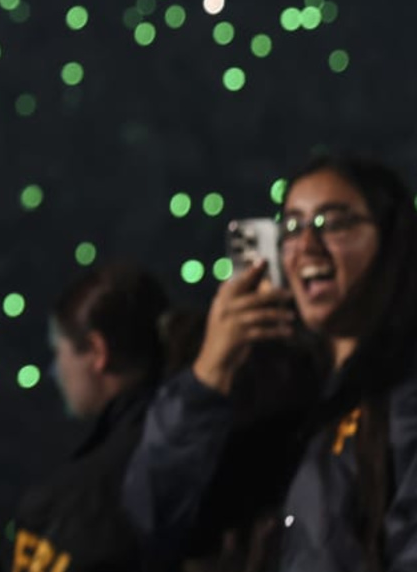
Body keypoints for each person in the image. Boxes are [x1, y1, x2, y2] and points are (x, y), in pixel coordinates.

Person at [124, 154, 417, 570]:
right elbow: (155, 518)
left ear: (393, 241)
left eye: (334, 223)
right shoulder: (285, 398)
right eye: (293, 227)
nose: (307, 246)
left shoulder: (402, 393)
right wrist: (210, 372)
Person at [9, 261, 169, 572]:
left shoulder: (80, 500)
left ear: (97, 351)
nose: (55, 371)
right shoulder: (193, 439)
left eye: (59, 351)